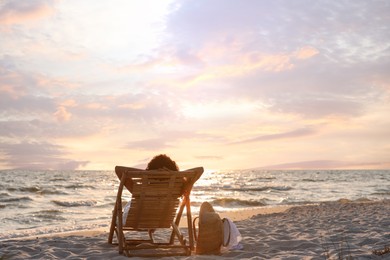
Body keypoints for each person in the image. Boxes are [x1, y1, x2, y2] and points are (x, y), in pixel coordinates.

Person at [122, 154, 179, 224]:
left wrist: (147, 172)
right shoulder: (177, 189)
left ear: (150, 170)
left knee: (122, 210)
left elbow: (118, 170)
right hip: (159, 221)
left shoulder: (142, 192)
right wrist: (174, 173)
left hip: (134, 220)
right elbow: (196, 172)